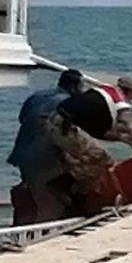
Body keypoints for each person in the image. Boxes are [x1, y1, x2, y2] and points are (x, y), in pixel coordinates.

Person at [47, 76, 132, 194]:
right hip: (66, 129)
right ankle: (63, 186)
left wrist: (121, 137)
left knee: (83, 156)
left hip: (52, 121)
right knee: (103, 160)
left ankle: (74, 190)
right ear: (130, 92)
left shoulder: (102, 91)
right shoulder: (121, 105)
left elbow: (97, 131)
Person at [7, 69, 85, 222]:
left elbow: (22, 118)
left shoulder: (37, 96)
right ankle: (44, 237)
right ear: (75, 86)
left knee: (34, 193)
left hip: (22, 152)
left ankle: (23, 225)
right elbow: (67, 134)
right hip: (44, 156)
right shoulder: (69, 103)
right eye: (81, 87)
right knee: (51, 203)